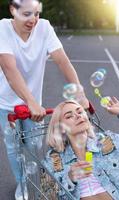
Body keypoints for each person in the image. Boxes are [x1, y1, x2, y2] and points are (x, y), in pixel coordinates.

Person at [0, 0, 88, 199]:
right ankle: (22, 183)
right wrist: (30, 102)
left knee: (32, 146)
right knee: (13, 147)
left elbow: (62, 60)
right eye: (27, 14)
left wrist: (79, 91)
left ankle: (31, 178)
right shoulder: (2, 29)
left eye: (37, 14)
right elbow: (9, 68)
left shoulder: (45, 28)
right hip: (6, 103)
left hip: (34, 104)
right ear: (13, 10)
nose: (33, 20)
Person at [44, 100, 119, 200]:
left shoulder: (107, 142)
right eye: (69, 116)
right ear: (61, 128)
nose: (78, 116)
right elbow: (47, 196)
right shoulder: (54, 158)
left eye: (80, 112)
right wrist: (69, 179)